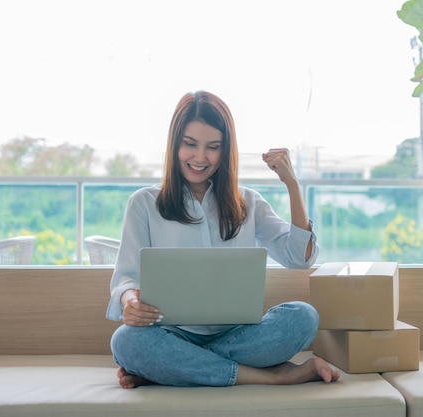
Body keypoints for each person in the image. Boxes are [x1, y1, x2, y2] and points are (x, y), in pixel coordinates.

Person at [106, 90, 340, 388]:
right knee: (126, 342)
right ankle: (271, 376)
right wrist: (130, 301)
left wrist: (292, 185)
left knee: (303, 317)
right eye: (190, 144)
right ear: (174, 144)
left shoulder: (248, 202)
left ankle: (177, 368)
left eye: (212, 147)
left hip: (239, 334)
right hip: (172, 332)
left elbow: (299, 257)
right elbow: (125, 278)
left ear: (225, 150)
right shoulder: (144, 203)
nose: (200, 157)